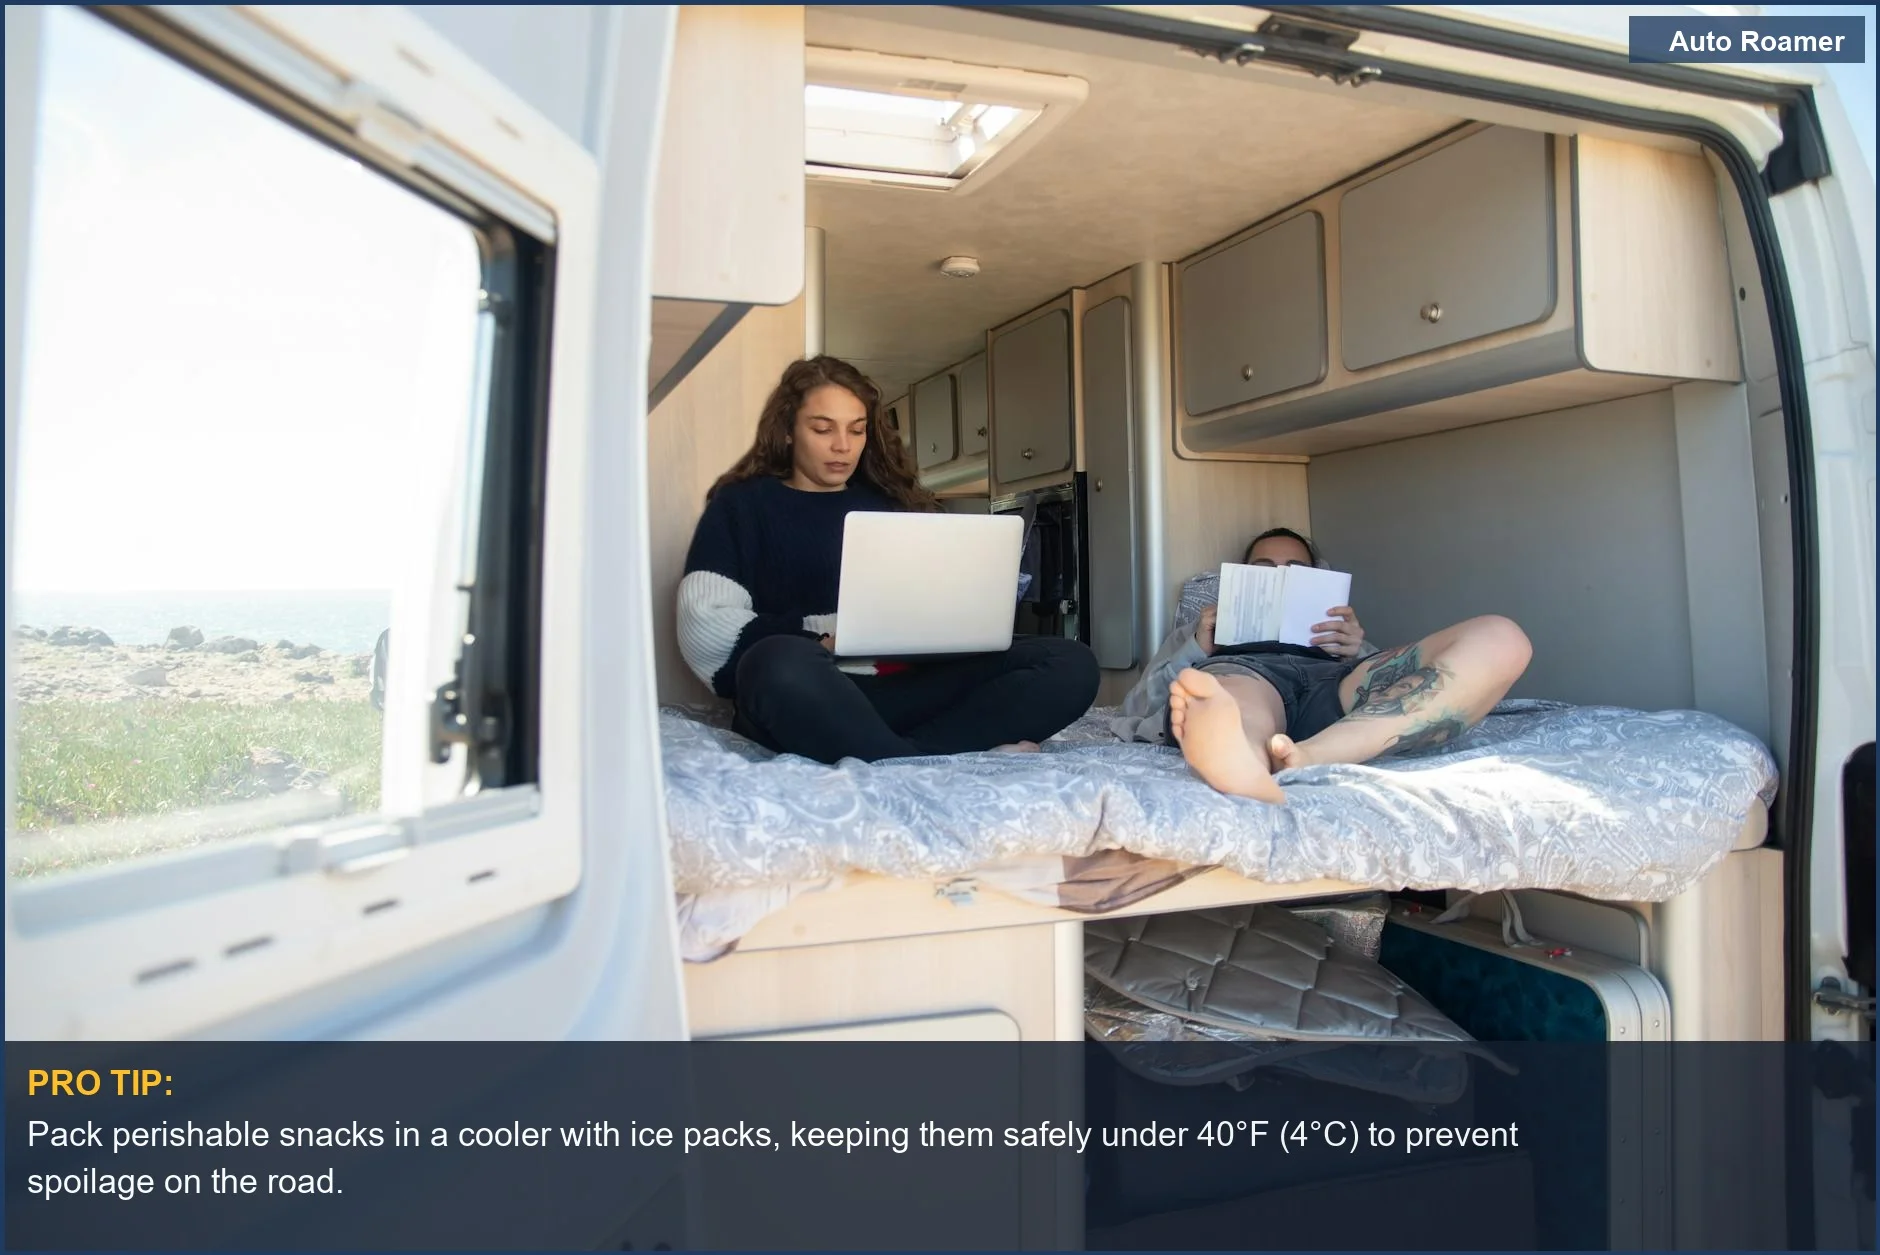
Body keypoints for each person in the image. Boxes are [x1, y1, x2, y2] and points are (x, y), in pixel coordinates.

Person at [677, 355, 1100, 764]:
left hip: (907, 686)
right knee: (776, 663)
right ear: (787, 430)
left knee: (1071, 663)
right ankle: (930, 754)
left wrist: (965, 615)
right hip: (816, 694)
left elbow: (934, 600)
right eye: (823, 429)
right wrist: (825, 638)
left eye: (857, 430)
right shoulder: (743, 506)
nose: (842, 446)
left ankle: (898, 755)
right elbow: (707, 626)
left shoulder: (894, 503)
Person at [1115, 527, 1532, 803]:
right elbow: (1134, 709)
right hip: (1243, 669)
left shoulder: (1344, 632)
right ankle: (1240, 753)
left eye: (1296, 572)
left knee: (1501, 637)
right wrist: (1196, 647)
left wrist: (1358, 649)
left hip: (1334, 679)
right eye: (1264, 571)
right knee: (1238, 698)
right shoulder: (1199, 630)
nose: (1280, 578)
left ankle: (1309, 756)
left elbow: (1402, 685)